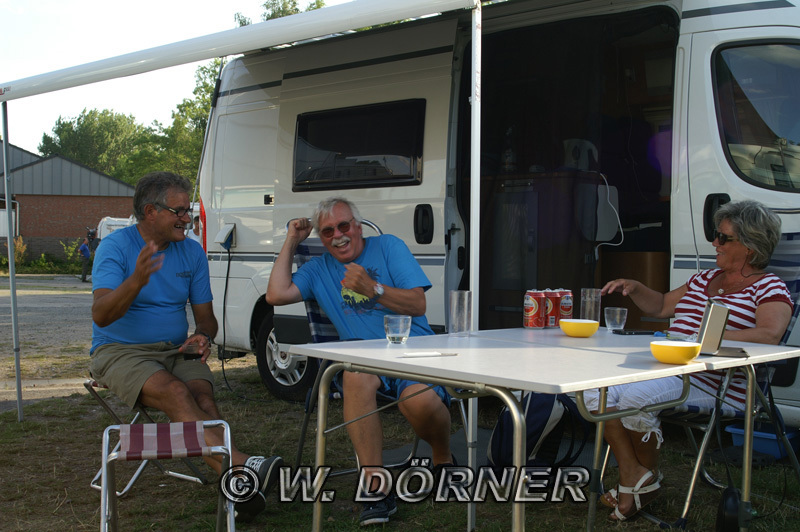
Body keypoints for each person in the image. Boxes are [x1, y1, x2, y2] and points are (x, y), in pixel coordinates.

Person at [90, 171, 282, 522]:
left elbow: (207, 319)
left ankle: (238, 490)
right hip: (120, 350)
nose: (187, 218)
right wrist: (136, 280)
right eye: (178, 211)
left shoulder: (191, 251)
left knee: (204, 400)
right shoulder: (115, 247)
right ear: (150, 212)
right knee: (177, 393)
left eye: (188, 209)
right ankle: (242, 469)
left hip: (176, 349)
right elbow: (101, 315)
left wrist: (203, 336)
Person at [587, 199, 793, 521]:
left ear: (750, 246)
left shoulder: (768, 286)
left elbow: (770, 335)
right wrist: (636, 287)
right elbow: (660, 306)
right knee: (592, 392)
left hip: (716, 382)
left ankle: (636, 484)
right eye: (716, 235)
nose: (715, 243)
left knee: (635, 398)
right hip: (667, 368)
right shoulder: (704, 279)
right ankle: (637, 477)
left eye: (723, 237)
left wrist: (703, 339)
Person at [266, 196, 454, 526]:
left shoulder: (388, 247)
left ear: (358, 226)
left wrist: (373, 288)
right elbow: (276, 295)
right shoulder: (318, 269)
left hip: (413, 351)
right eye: (327, 231)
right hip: (364, 359)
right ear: (322, 238)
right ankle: (375, 486)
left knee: (418, 402)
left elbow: (418, 304)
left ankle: (442, 458)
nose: (338, 235)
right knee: (353, 374)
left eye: (344, 226)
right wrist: (292, 240)